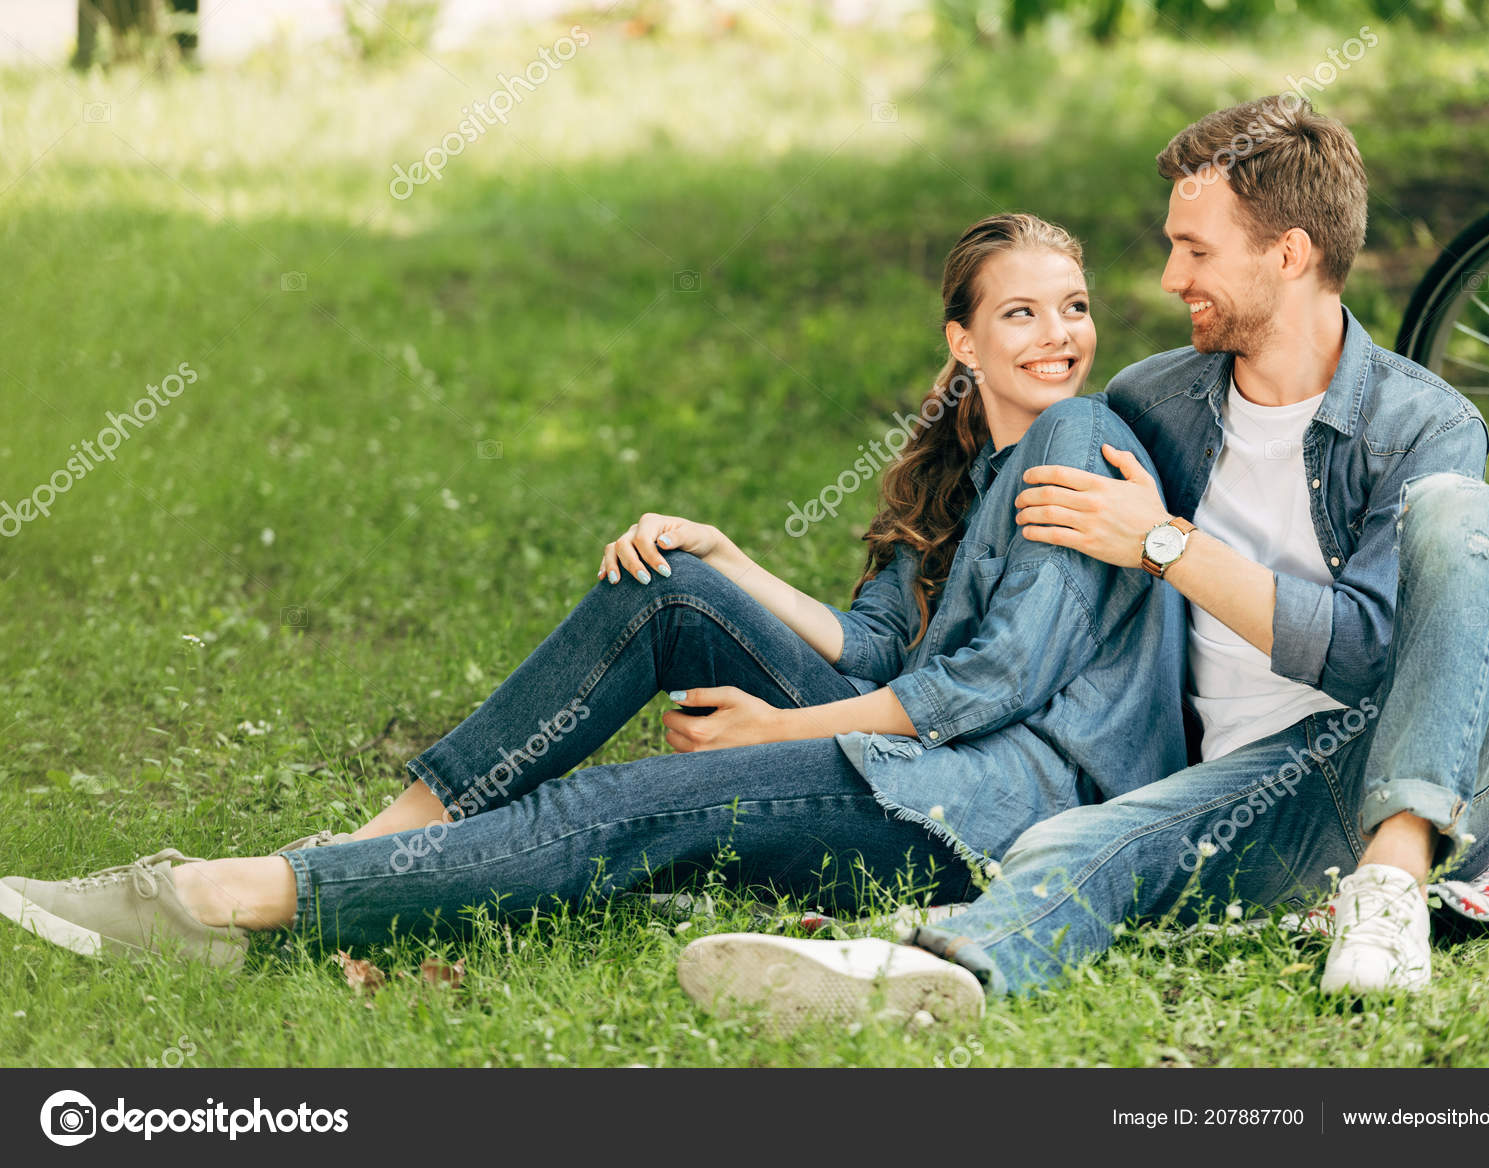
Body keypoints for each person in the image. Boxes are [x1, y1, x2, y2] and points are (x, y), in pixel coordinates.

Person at [0, 213, 1188, 1020]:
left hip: (979, 801)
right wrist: (726, 560)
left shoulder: (1078, 443)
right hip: (912, 752)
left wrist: (769, 736)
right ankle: (361, 854)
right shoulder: (973, 465)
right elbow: (879, 647)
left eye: (1073, 307)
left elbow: (988, 686)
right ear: (962, 341)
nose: (1062, 336)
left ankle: (221, 899)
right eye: (1021, 314)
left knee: (615, 810)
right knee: (664, 582)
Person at [679, 96, 1489, 1025]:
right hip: (1249, 786)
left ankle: (1388, 888)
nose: (1168, 275)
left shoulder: (1421, 424)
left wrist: (1164, 543)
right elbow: (1028, 502)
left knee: (1461, 512)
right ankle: (934, 978)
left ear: (1290, 253)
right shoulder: (1157, 399)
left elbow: (1369, 656)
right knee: (1080, 843)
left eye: (1195, 249)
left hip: (1426, 784)